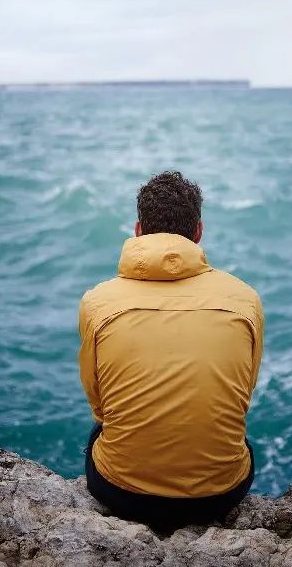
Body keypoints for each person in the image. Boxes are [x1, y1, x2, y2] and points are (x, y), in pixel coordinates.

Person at [78, 170, 264, 529]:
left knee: (98, 433)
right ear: (198, 232)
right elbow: (242, 394)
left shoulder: (97, 302)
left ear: (137, 230)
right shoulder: (245, 300)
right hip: (221, 494)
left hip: (122, 493)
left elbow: (100, 407)